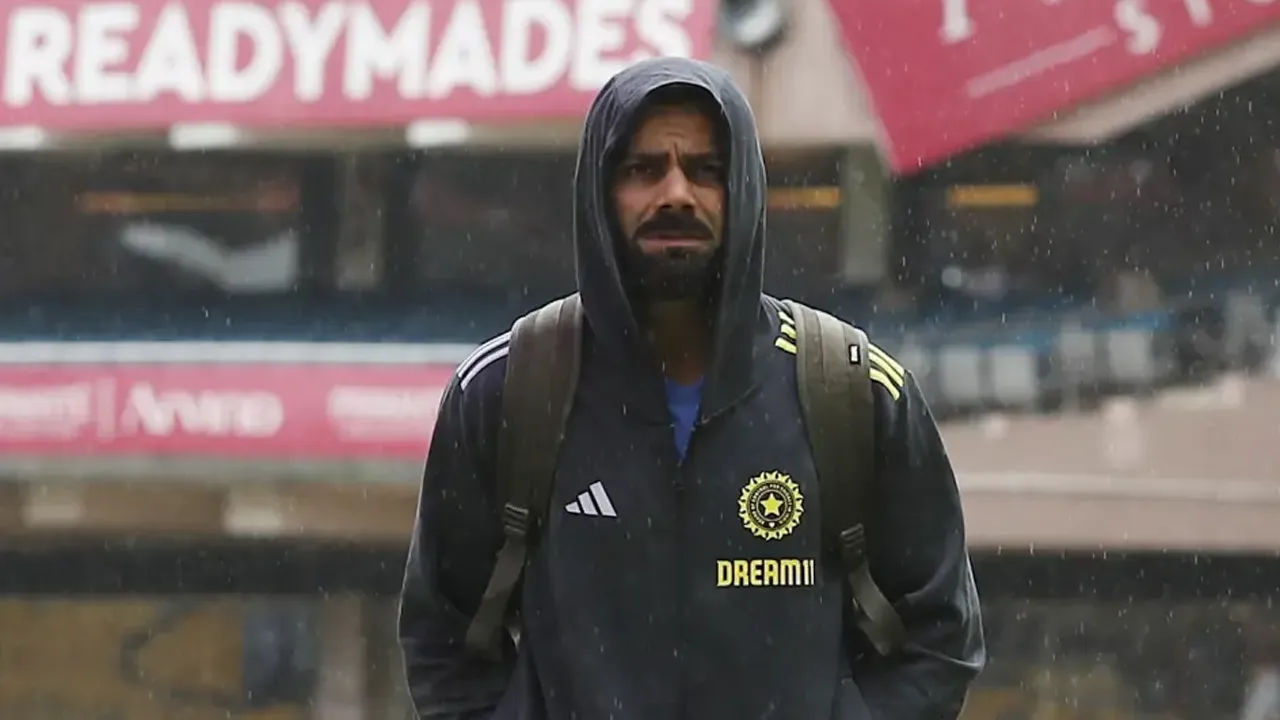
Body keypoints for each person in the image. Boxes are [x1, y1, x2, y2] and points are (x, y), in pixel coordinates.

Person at [399, 57, 985, 719]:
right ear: (600, 190)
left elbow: (938, 636)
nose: (676, 194)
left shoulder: (854, 388)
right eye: (644, 169)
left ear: (744, 189)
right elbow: (444, 639)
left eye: (706, 170)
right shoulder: (505, 391)